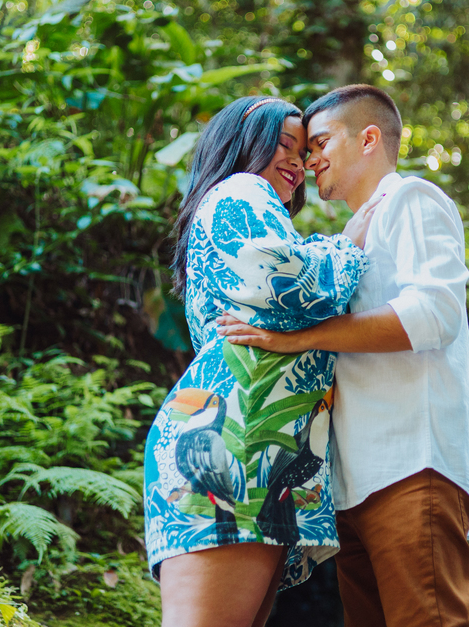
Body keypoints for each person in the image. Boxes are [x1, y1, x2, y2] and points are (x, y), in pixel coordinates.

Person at [217, 84, 469, 627]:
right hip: (353, 488)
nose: (308, 159)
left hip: (413, 465)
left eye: (319, 143)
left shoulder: (411, 198)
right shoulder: (348, 240)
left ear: (369, 139)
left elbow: (434, 313)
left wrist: (303, 337)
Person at [143, 95, 379, 627]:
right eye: (286, 145)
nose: (298, 163)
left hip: (257, 451)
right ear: (244, 143)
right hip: (231, 441)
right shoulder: (239, 190)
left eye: (305, 150)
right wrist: (347, 246)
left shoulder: (247, 207)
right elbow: (288, 284)